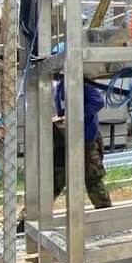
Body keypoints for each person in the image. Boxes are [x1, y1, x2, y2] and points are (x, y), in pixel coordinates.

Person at [52, 74, 111, 209]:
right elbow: (63, 110)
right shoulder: (60, 86)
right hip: (66, 139)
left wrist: (76, 115)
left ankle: (104, 208)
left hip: (86, 139)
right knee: (56, 178)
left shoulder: (83, 84)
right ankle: (34, 213)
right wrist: (62, 118)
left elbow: (97, 102)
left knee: (92, 177)